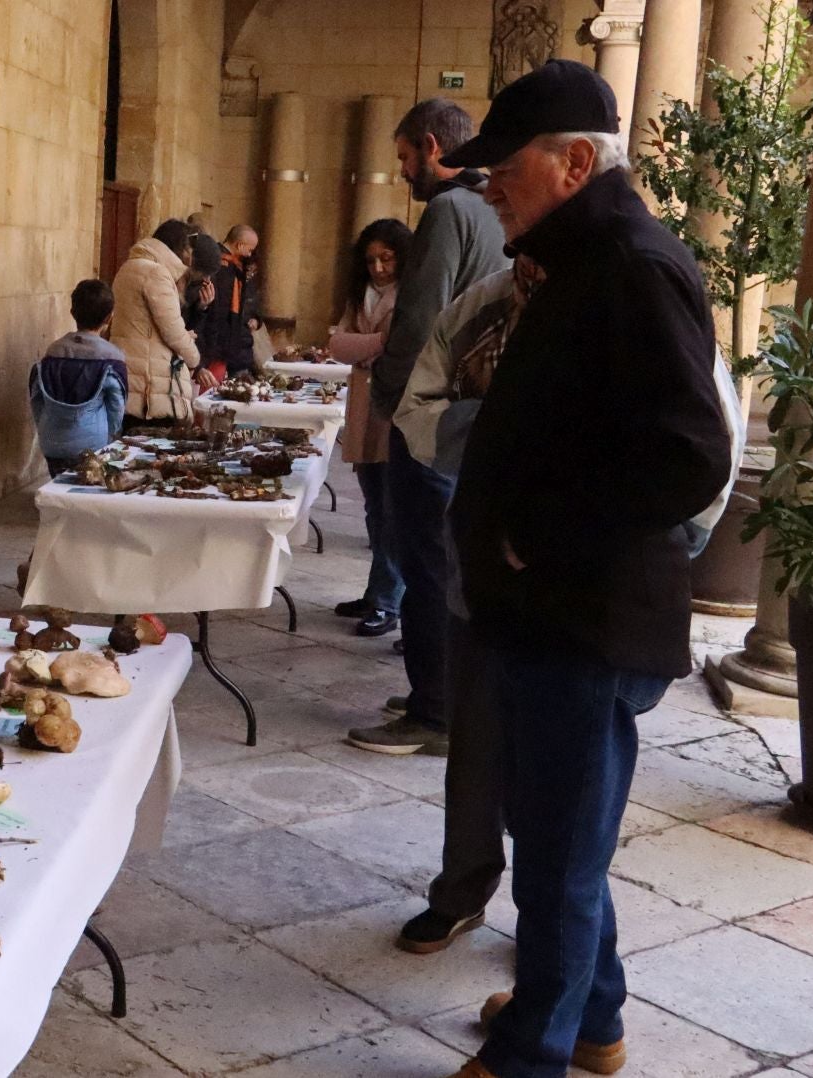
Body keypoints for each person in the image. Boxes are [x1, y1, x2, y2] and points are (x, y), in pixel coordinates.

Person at [438, 61, 729, 1078]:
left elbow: (692, 451)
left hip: (583, 613)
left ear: (571, 163)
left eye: (502, 169)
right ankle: (593, 1020)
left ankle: (533, 1052)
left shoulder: (631, 264)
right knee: (556, 832)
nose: (488, 187)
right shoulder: (583, 256)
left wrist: (545, 530)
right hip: (548, 610)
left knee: (560, 853)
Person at [387, 256, 542, 957]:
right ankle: (462, 890)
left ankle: (555, 926)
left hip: (588, 589)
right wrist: (507, 434)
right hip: (482, 567)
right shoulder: (485, 303)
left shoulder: (638, 293)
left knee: (565, 770)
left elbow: (703, 442)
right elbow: (417, 407)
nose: (498, 198)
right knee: (476, 741)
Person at [347, 98, 511, 757]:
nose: (403, 171)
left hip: (432, 420)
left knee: (424, 562)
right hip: (472, 420)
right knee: (447, 561)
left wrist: (390, 398)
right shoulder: (492, 210)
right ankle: (439, 689)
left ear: (433, 147)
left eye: (406, 157)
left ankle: (432, 712)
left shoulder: (448, 210)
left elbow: (419, 320)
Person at [327, 219, 413, 638]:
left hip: (393, 406)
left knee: (395, 509)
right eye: (371, 260)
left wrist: (369, 346)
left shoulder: (413, 292)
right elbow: (337, 344)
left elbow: (401, 344)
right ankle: (376, 589)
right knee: (374, 506)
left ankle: (388, 600)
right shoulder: (358, 294)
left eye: (387, 258)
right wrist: (376, 344)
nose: (378, 268)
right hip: (364, 405)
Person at [112, 219, 217, 427]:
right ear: (180, 248)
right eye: (188, 249)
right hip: (149, 384)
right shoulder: (156, 273)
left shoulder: (130, 266)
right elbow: (172, 331)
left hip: (132, 373)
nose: (189, 257)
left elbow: (147, 325)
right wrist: (194, 359)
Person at [29, 280, 128, 475]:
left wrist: (45, 427)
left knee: (57, 484)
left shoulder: (52, 353)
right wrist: (109, 437)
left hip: (51, 441)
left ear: (73, 313)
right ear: (109, 318)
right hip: (93, 444)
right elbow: (116, 409)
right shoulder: (112, 359)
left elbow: (36, 400)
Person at [197, 225, 262, 380]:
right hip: (217, 342)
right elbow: (219, 310)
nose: (250, 254)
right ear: (239, 245)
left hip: (230, 342)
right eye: (250, 249)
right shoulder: (219, 265)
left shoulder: (238, 266)